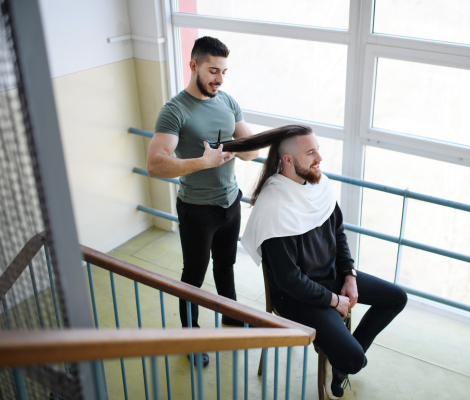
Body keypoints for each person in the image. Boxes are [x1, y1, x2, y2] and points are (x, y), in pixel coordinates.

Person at [239, 125, 408, 399]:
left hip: (333, 278)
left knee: (396, 297)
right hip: (297, 297)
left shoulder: (319, 184)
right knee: (356, 361)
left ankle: (337, 353)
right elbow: (289, 280)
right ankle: (343, 357)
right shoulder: (273, 206)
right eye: (311, 153)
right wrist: (334, 301)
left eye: (318, 150)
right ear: (288, 160)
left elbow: (338, 233)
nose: (319, 158)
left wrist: (350, 276)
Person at [147, 36, 259, 367]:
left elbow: (251, 149)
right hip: (197, 209)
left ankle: (232, 316)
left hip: (230, 203)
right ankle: (190, 338)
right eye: (213, 71)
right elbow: (156, 164)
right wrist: (204, 161)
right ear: (194, 66)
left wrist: (238, 149)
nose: (219, 79)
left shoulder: (228, 101)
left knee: (226, 266)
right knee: (193, 277)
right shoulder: (174, 111)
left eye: (224, 71)